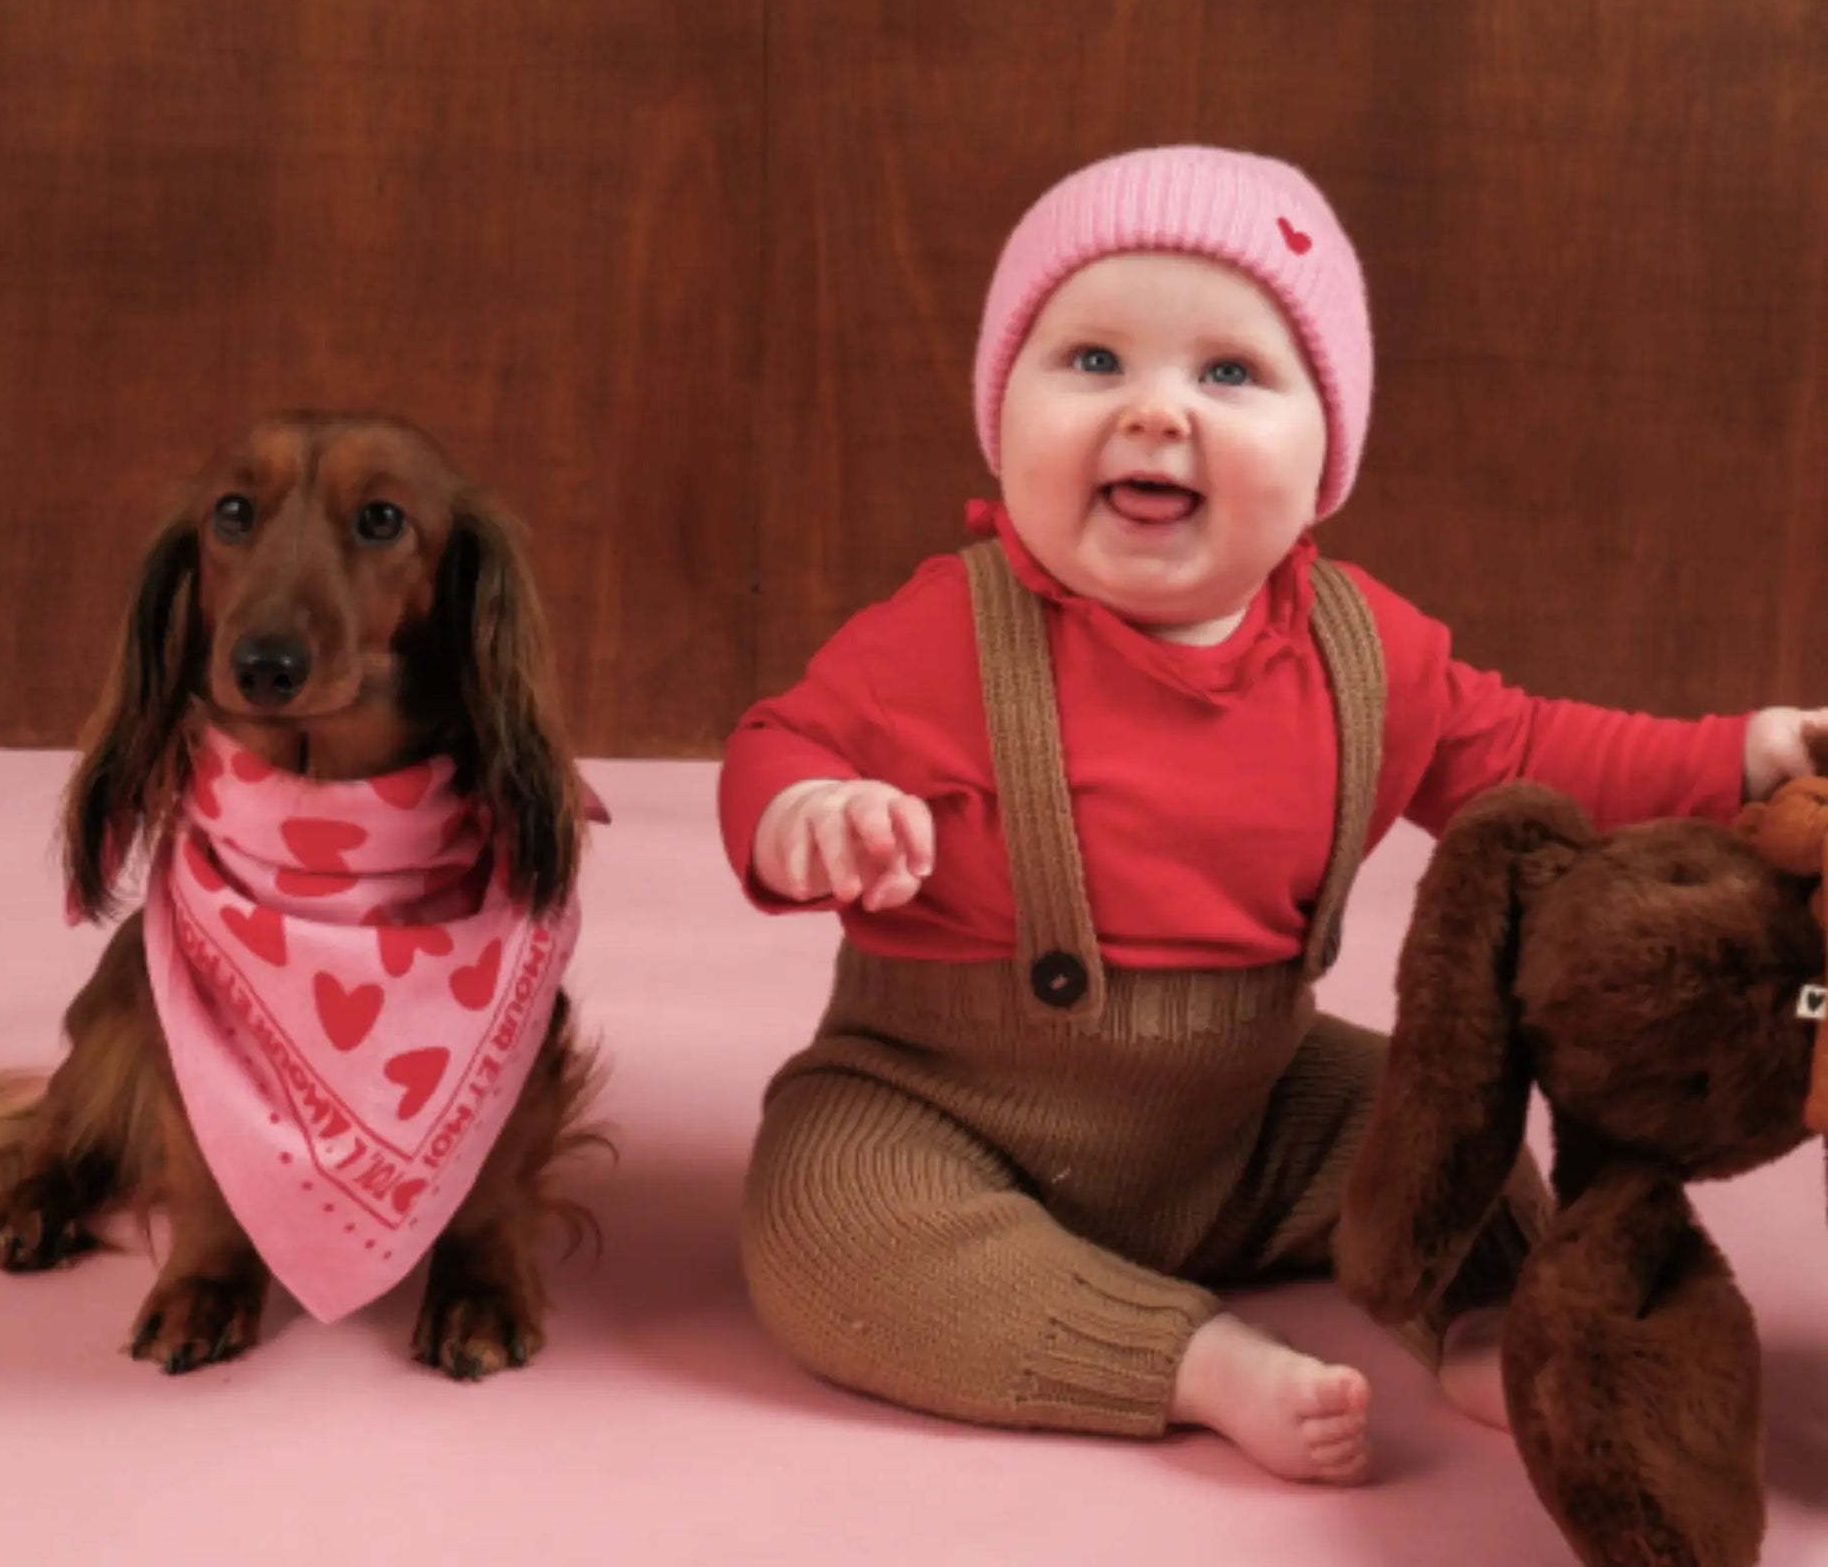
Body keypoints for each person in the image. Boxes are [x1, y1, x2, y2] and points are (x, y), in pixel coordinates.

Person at [718, 144, 1828, 1484]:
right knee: (824, 1216)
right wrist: (807, 810)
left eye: (1230, 372)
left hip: (1253, 1119)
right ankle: (1186, 1359)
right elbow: (780, 739)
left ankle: (1485, 1314)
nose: (1153, 411)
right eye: (1091, 360)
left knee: (1432, 1113)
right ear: (1000, 415)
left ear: (1326, 457)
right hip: (946, 1108)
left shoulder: (1367, 654)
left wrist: (1747, 755)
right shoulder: (942, 631)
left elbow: (1537, 753)